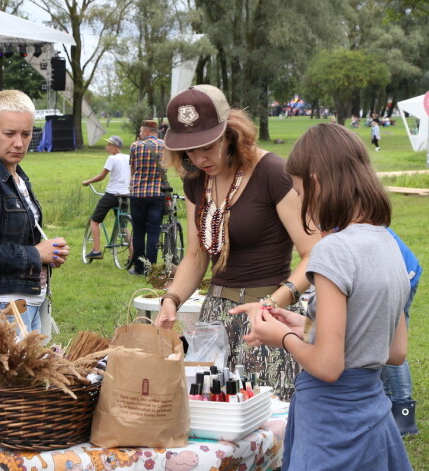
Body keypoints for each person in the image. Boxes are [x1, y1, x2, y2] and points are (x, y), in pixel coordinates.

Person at [235, 123, 411, 470]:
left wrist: (282, 337)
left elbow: (328, 367)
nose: (302, 203)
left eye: (299, 193)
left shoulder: (333, 249)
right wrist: (305, 326)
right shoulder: (388, 242)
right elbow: (394, 350)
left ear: (315, 183)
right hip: (371, 414)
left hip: (331, 422)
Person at [154, 85, 320, 400]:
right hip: (215, 319)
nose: (200, 158)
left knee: (268, 420)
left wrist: (272, 304)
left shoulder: (271, 172)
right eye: (189, 150)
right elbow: (195, 256)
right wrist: (171, 299)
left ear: (231, 133)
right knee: (212, 414)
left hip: (268, 318)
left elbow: (313, 253)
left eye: (208, 146)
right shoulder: (195, 181)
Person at [0, 90, 69, 332]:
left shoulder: (17, 178)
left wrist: (50, 255)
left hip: (25, 302)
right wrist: (36, 254)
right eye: (9, 133)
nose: (19, 143)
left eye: (26, 134)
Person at [382, 227, 421, 436]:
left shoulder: (343, 219)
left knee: (391, 348)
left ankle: (404, 414)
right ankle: (386, 404)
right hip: (391, 278)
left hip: (401, 278)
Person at [81, 135, 130, 260]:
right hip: (125, 195)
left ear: (115, 146)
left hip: (112, 194)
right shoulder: (128, 158)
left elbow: (102, 176)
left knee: (95, 220)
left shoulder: (112, 159)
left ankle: (96, 250)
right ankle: (132, 254)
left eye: (109, 145)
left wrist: (88, 181)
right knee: (123, 225)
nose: (106, 147)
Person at [129, 119, 167, 276]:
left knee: (138, 232)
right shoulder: (164, 146)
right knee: (153, 232)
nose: (139, 134)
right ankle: (150, 269)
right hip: (157, 194)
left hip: (138, 194)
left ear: (146, 131)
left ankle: (138, 268)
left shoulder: (136, 146)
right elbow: (166, 167)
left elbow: (132, 169)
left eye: (140, 131)